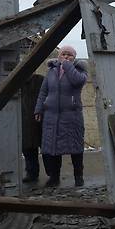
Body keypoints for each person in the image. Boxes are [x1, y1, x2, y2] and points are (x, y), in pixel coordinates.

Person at [34, 45, 88, 187]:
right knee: (53, 150)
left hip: (71, 117)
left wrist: (68, 66)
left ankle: (78, 177)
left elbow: (78, 81)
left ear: (74, 57)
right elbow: (43, 92)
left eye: (69, 55)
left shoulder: (79, 70)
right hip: (51, 116)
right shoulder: (51, 71)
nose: (66, 56)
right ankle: (54, 177)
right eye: (63, 54)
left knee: (75, 148)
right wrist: (38, 110)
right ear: (59, 55)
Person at [21, 73, 44, 183]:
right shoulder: (17, 82)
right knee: (28, 148)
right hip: (24, 119)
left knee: (45, 148)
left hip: (39, 118)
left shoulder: (39, 80)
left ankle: (53, 174)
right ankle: (31, 172)